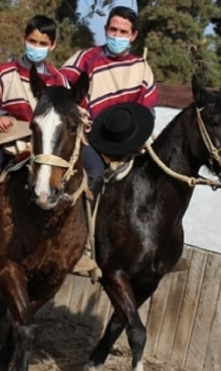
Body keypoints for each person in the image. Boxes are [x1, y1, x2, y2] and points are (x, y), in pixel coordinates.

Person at [0, 15, 69, 255]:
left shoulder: (60, 81)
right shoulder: (5, 73)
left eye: (42, 43)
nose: (36, 47)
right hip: (7, 139)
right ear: (24, 40)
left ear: (53, 46)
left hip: (41, 145)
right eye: (32, 41)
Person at [60, 6, 158, 271]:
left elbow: (147, 111)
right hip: (87, 137)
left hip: (127, 143)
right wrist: (79, 129)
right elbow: (61, 93)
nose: (117, 35)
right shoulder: (85, 58)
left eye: (123, 32)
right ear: (105, 30)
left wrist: (133, 142)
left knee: (154, 180)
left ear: (134, 35)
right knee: (93, 173)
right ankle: (81, 246)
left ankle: (150, 246)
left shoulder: (141, 68)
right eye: (113, 30)